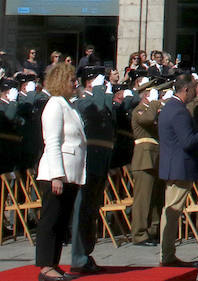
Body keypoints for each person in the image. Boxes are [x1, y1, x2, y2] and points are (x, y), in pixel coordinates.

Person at [158, 71, 198, 267]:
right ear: (186, 89)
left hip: (174, 165)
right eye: (194, 88)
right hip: (179, 166)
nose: (196, 91)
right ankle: (167, 256)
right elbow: (187, 141)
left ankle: (167, 254)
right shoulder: (178, 110)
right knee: (172, 211)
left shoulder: (173, 107)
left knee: (171, 210)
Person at [35, 62, 84, 281]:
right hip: (55, 174)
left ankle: (54, 263)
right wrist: (56, 175)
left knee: (61, 221)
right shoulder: (54, 104)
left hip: (70, 174)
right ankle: (45, 267)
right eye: (71, 80)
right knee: (51, 221)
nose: (75, 83)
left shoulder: (69, 105)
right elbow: (52, 142)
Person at [68, 66, 114, 274]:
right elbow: (96, 109)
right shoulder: (81, 101)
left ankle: (86, 254)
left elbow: (110, 112)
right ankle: (78, 257)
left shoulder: (99, 98)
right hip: (87, 161)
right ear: (89, 82)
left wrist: (107, 93)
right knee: (81, 210)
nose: (102, 84)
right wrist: (98, 91)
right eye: (98, 80)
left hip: (101, 160)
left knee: (92, 210)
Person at [128, 77, 165, 246]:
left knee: (156, 198)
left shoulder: (151, 110)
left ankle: (153, 230)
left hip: (155, 158)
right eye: (153, 93)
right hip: (144, 158)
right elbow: (148, 120)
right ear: (146, 95)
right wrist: (155, 104)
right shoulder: (140, 111)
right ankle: (139, 234)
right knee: (143, 200)